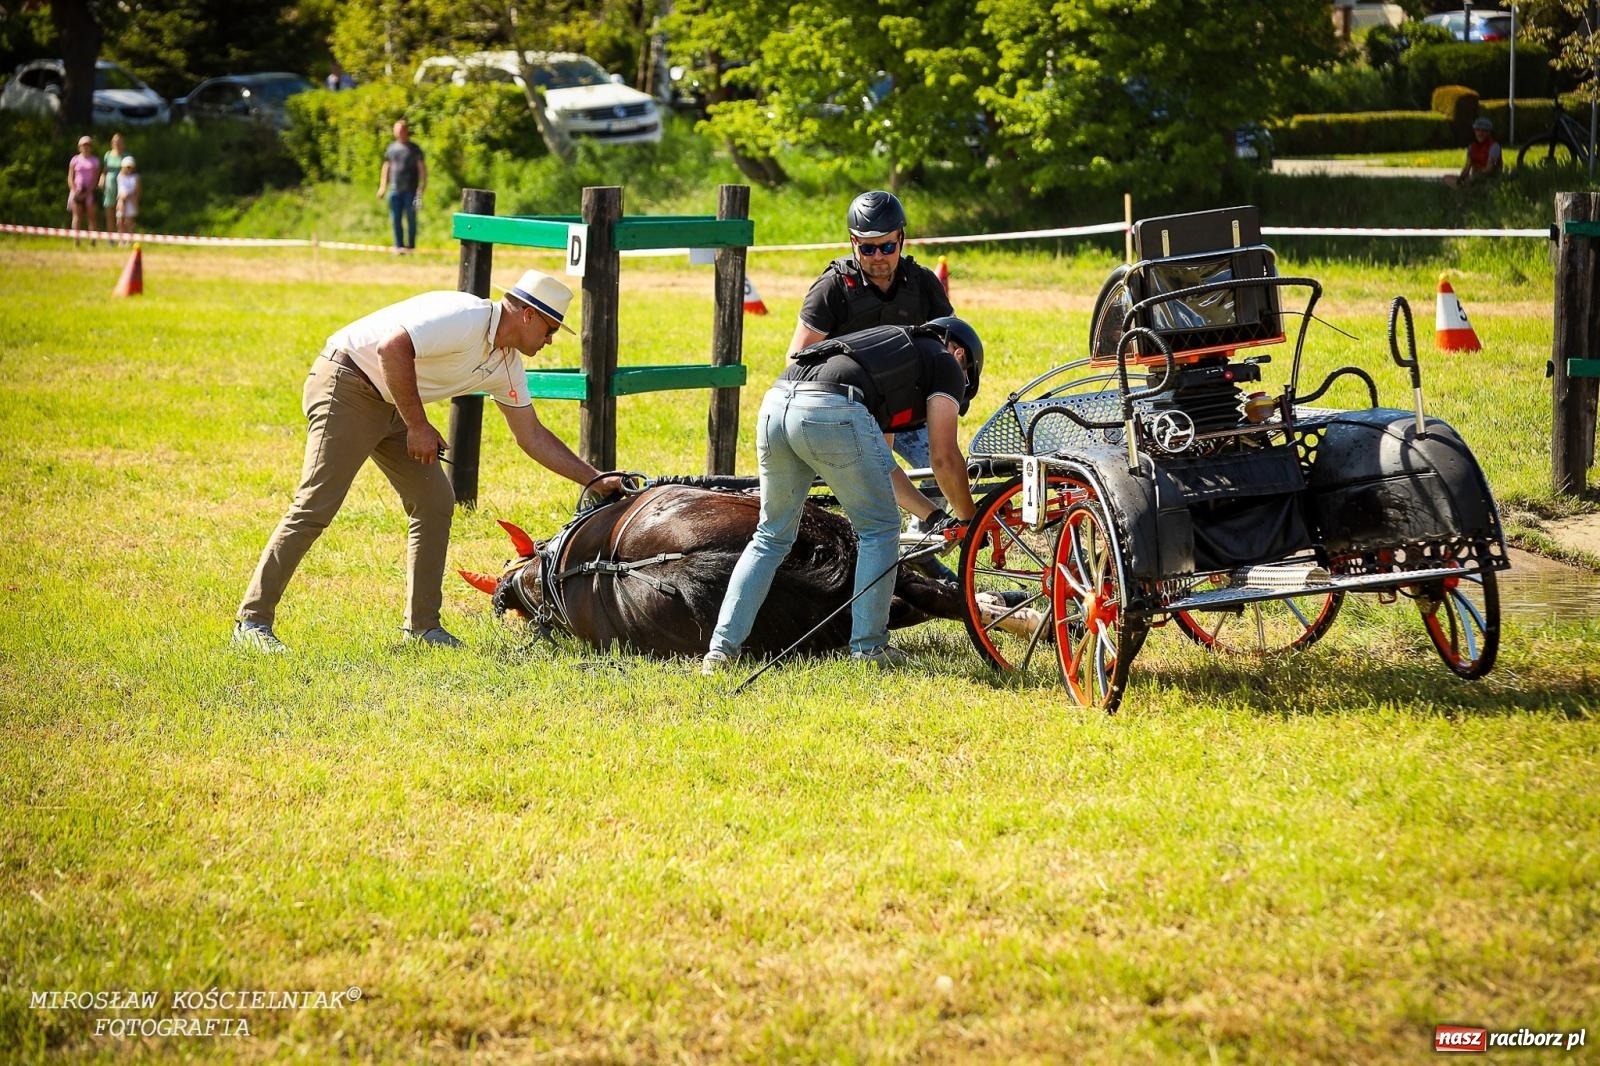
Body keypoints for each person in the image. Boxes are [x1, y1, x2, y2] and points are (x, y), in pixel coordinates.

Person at [234, 270, 623, 653]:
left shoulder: (507, 364)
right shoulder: (466, 316)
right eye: (550, 330)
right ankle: (252, 622)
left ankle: (423, 628)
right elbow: (392, 348)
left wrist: (595, 479)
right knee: (316, 505)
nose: (550, 341)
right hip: (348, 383)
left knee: (435, 501)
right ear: (528, 315)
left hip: (395, 401)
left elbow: (531, 435)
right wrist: (418, 426)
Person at [701, 317, 983, 674]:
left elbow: (882, 468)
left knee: (771, 536)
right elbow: (943, 457)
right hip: (829, 407)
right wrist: (969, 518)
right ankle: (869, 650)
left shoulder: (887, 356)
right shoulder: (946, 362)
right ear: (960, 355)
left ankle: (720, 652)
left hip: (776, 403)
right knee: (879, 530)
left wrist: (934, 516)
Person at [788, 190, 954, 475]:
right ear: (853, 242)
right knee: (864, 482)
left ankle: (927, 508)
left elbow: (951, 344)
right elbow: (796, 362)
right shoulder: (832, 288)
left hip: (904, 409)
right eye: (867, 249)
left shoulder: (923, 283)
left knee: (941, 470)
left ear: (901, 239)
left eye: (887, 247)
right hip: (844, 411)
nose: (878, 257)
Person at [376, 119, 426, 252]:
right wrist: (382, 186)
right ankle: (398, 246)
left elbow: (421, 167)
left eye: (401, 130)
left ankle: (411, 246)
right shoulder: (391, 148)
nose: (399, 132)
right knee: (395, 219)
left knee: (411, 218)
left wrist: (422, 185)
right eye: (397, 130)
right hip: (395, 190)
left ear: (406, 131)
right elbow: (386, 166)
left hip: (411, 190)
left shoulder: (414, 148)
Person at [67, 135, 100, 247]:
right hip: (77, 191)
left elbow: (95, 178)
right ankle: (76, 241)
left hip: (89, 191)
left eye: (88, 145)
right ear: (79, 147)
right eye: (84, 145)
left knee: (91, 217)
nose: (86, 147)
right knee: (77, 216)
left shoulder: (95, 160)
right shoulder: (75, 160)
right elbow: (70, 177)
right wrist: (74, 190)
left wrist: (88, 192)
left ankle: (93, 241)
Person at [1459, 116, 1503, 185]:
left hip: (1491, 181)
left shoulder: (1494, 147)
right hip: (1474, 179)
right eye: (1478, 130)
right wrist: (1461, 177)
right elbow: (1467, 166)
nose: (1480, 133)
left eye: (1484, 130)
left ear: (1489, 132)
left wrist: (1473, 178)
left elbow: (1489, 169)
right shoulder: (1472, 147)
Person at [99, 132, 125, 227]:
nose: (117, 143)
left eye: (119, 141)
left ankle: (121, 234)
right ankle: (110, 235)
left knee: (121, 214)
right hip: (110, 187)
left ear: (123, 143)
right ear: (112, 143)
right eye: (115, 141)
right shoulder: (108, 155)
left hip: (122, 187)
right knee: (109, 213)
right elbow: (105, 170)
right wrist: (102, 178)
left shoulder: (126, 156)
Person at [114, 156, 140, 246]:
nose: (129, 169)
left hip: (131, 202)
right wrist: (121, 200)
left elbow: (137, 191)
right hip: (121, 201)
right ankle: (121, 241)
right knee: (120, 222)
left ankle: (129, 241)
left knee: (129, 222)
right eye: (127, 167)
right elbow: (120, 191)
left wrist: (128, 195)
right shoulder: (120, 176)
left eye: (130, 167)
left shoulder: (136, 177)